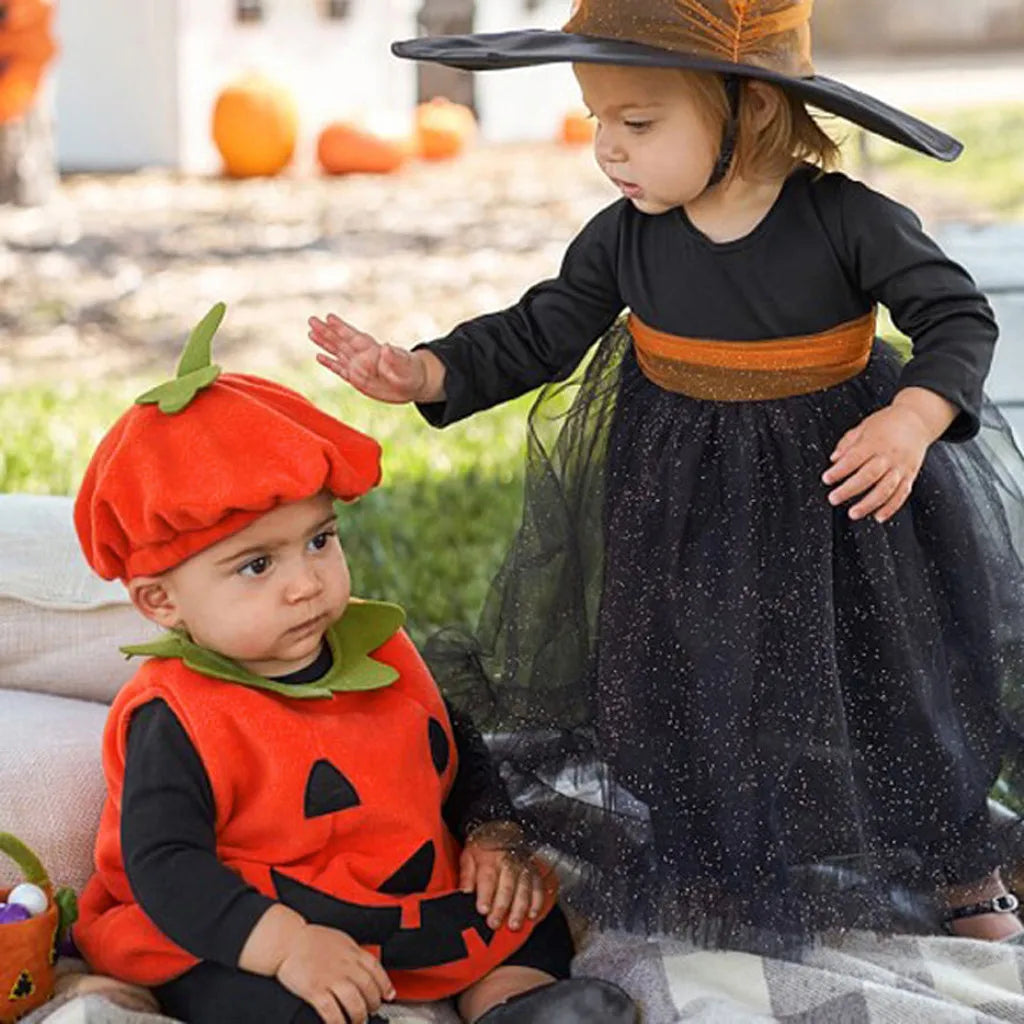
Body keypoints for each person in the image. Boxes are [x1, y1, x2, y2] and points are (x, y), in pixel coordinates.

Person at [307, 0, 1024, 953]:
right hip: (687, 499)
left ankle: (957, 866)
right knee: (692, 676)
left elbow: (957, 318)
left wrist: (913, 417)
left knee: (893, 674)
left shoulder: (848, 220)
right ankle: (722, 855)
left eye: (637, 123)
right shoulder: (626, 234)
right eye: (598, 118)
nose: (608, 148)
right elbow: (544, 327)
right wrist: (429, 371)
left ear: (752, 110)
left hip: (847, 494)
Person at [71, 304, 637, 1024]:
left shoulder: (378, 649)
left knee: (522, 916)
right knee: (258, 999)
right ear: (161, 602)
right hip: (242, 927)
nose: (305, 583)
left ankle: (509, 1003)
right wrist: (287, 949)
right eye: (255, 566)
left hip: (403, 903)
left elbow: (453, 748)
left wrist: (492, 833)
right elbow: (167, 870)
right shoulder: (178, 716)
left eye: (318, 541)